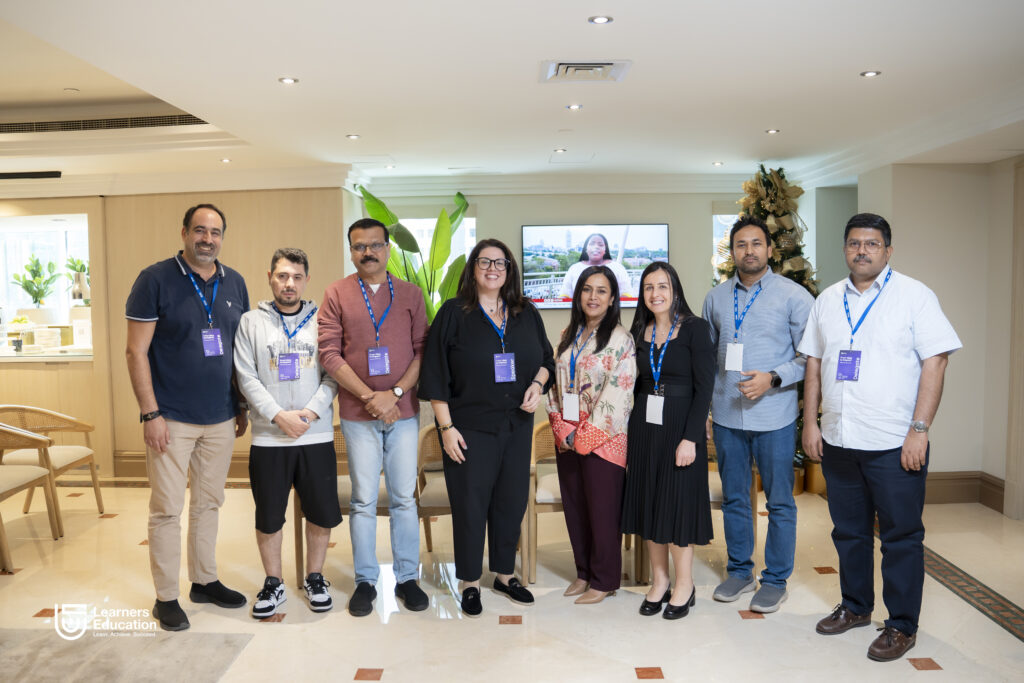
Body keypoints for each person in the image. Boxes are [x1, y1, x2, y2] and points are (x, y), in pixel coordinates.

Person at [799, 213, 961, 662]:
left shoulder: (914, 296)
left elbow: (936, 361)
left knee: (900, 537)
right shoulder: (828, 300)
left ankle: (902, 625)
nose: (862, 251)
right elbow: (814, 363)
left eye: (872, 244)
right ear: (845, 249)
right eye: (854, 243)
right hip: (840, 439)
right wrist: (811, 423)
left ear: (888, 250)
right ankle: (855, 607)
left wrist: (919, 430)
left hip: (894, 443)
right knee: (849, 533)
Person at [125, 203, 250, 631]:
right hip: (171, 417)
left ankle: (204, 580)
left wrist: (240, 404)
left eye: (215, 232)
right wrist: (150, 413)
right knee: (167, 509)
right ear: (184, 233)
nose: (207, 239)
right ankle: (166, 597)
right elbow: (135, 352)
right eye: (200, 230)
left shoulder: (234, 282)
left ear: (222, 238)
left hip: (220, 416)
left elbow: (237, 352)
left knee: (209, 503)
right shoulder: (154, 279)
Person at [419, 238, 555, 617]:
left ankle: (504, 575)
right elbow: (436, 376)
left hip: (517, 425)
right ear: (473, 268)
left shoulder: (525, 312)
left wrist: (538, 384)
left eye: (500, 263)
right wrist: (446, 428)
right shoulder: (453, 314)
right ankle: (469, 581)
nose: (493, 269)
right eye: (485, 262)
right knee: (471, 504)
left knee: (510, 501)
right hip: (468, 428)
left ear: (509, 270)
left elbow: (547, 360)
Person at [318, 218, 430, 616]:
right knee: (363, 499)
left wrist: (394, 394)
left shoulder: (411, 294)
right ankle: (365, 581)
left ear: (388, 249)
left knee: (403, 498)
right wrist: (370, 397)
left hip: (404, 413)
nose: (368, 252)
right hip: (357, 413)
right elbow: (329, 353)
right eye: (359, 246)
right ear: (351, 251)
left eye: (375, 245)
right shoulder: (336, 293)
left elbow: (423, 350)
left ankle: (407, 578)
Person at [701, 216, 813, 613]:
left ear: (769, 249)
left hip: (774, 417)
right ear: (732, 252)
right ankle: (739, 572)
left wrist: (773, 377)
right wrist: (706, 412)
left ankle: (776, 579)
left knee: (779, 501)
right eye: (741, 244)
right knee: (735, 498)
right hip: (727, 417)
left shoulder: (794, 296)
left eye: (756, 243)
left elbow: (810, 357)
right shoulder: (715, 298)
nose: (748, 251)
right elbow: (708, 360)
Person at [233, 248, 341, 618]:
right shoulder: (250, 322)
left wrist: (308, 413)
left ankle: (315, 577)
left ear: (307, 280)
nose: (289, 283)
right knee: (268, 515)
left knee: (320, 514)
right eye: (282, 276)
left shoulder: (322, 320)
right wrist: (279, 416)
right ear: (270, 277)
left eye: (296, 276)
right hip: (269, 437)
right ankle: (274, 582)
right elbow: (246, 376)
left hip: (315, 434)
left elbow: (333, 373)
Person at [621, 262, 715, 620]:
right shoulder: (638, 331)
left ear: (675, 289)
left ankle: (685, 585)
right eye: (648, 287)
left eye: (662, 286)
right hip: (645, 427)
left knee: (676, 508)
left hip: (680, 427)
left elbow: (705, 387)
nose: (655, 293)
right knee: (650, 504)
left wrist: (691, 437)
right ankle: (659, 581)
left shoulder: (694, 328)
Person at [547, 265, 637, 604]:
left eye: (601, 291)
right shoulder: (569, 334)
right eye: (587, 289)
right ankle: (583, 572)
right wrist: (562, 428)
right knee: (576, 508)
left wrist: (586, 435)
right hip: (568, 436)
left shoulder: (621, 340)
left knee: (602, 511)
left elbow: (620, 392)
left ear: (613, 298)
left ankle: (604, 579)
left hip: (604, 439)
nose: (593, 296)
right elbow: (555, 384)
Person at [559, 233, 633, 298]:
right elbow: (565, 294)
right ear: (586, 249)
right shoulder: (574, 268)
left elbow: (626, 293)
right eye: (592, 244)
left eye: (600, 244)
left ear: (605, 249)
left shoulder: (617, 268)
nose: (596, 247)